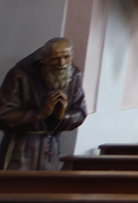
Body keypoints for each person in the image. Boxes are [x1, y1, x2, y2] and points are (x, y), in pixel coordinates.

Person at [0, 38, 87, 170]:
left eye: (66, 57)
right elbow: (3, 115)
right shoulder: (20, 75)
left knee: (47, 187)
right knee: (15, 188)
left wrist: (62, 115)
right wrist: (40, 114)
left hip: (50, 150)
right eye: (55, 59)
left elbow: (80, 112)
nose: (62, 63)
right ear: (43, 58)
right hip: (19, 150)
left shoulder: (74, 75)